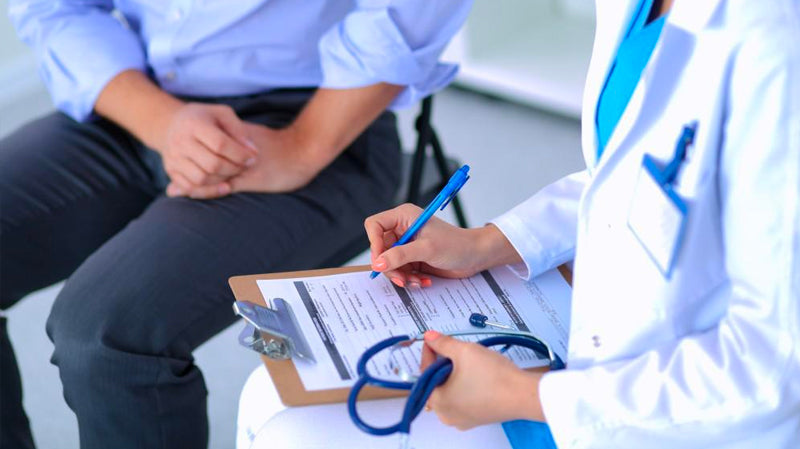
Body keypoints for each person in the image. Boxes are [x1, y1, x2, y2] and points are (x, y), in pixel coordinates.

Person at [0, 1, 471, 448]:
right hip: (133, 95)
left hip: (316, 116)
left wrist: (305, 146)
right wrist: (163, 124)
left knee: (104, 335)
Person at [365, 0, 800, 447]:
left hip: (688, 422)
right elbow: (632, 173)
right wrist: (485, 244)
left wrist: (523, 395)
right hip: (592, 381)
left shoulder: (776, 44)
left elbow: (776, 371)